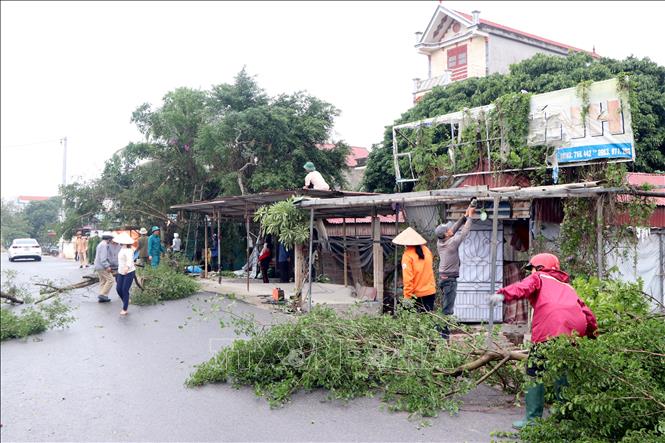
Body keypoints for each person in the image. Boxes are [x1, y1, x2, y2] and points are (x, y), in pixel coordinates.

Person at [488, 253, 598, 429]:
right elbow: (587, 314)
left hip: (550, 329)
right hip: (574, 333)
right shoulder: (568, 288)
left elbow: (523, 287)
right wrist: (593, 335)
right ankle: (565, 420)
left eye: (531, 268)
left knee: (534, 371)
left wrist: (503, 294)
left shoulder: (539, 277)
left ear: (539, 267)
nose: (530, 272)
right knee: (562, 372)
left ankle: (533, 420)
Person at [435, 204, 475, 318]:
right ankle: (443, 334)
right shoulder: (451, 243)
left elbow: (453, 230)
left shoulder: (440, 242)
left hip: (443, 277)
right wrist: (470, 217)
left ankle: (442, 331)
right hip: (449, 280)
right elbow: (464, 233)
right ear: (446, 234)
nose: (450, 229)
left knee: (445, 305)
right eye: (448, 229)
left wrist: (464, 217)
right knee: (448, 309)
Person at [392, 227, 437, 312]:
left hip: (416, 296)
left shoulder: (407, 256)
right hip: (430, 292)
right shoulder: (427, 250)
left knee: (414, 323)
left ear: (405, 243)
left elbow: (408, 280)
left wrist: (407, 298)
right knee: (428, 321)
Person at [113, 232, 136, 316]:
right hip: (120, 272)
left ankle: (125, 308)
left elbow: (130, 260)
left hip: (129, 272)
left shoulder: (129, 250)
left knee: (124, 290)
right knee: (118, 289)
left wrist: (127, 267)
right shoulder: (121, 248)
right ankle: (126, 300)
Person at [94, 232, 115, 303]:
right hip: (102, 266)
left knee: (103, 281)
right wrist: (107, 266)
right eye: (111, 239)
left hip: (98, 265)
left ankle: (103, 297)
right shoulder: (104, 245)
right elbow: (103, 258)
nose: (112, 241)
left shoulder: (100, 244)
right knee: (111, 280)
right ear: (108, 239)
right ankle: (102, 294)